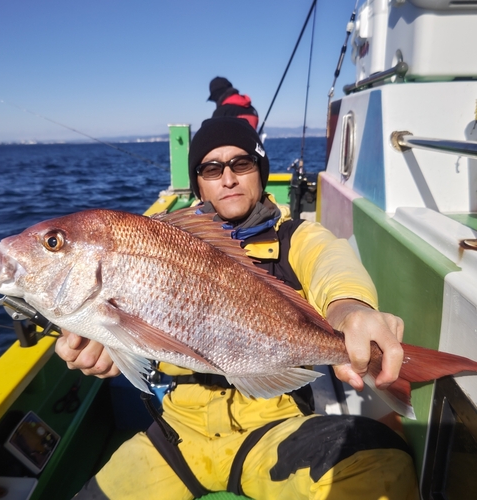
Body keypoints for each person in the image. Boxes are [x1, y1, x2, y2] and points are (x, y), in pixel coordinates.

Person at [57, 117, 419, 499]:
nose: (227, 177)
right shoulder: (156, 244)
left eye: (241, 164)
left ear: (260, 171)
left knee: (382, 466)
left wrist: (350, 309)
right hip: (177, 433)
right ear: (198, 183)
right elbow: (129, 339)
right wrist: (104, 347)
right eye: (211, 168)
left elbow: (333, 265)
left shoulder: (297, 237)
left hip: (272, 425)